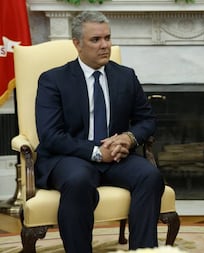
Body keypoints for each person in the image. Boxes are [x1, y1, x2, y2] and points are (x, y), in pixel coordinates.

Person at [34, 11, 164, 253]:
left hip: (116, 157)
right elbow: (50, 135)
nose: (105, 45)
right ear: (77, 44)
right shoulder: (53, 80)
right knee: (78, 181)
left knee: (150, 176)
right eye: (96, 40)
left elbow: (147, 120)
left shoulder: (126, 76)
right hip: (71, 157)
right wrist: (95, 152)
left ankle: (143, 250)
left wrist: (128, 137)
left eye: (107, 38)